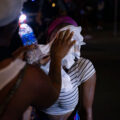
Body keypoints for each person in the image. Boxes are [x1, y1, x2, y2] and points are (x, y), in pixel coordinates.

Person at [0, 0, 75, 120]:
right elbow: (52, 96)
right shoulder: (28, 76)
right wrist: (57, 57)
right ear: (14, 25)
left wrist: (15, 57)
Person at [31, 16, 96, 120]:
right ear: (49, 39)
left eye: (71, 37)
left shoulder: (82, 66)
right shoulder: (37, 64)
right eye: (59, 37)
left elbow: (87, 112)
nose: (65, 43)